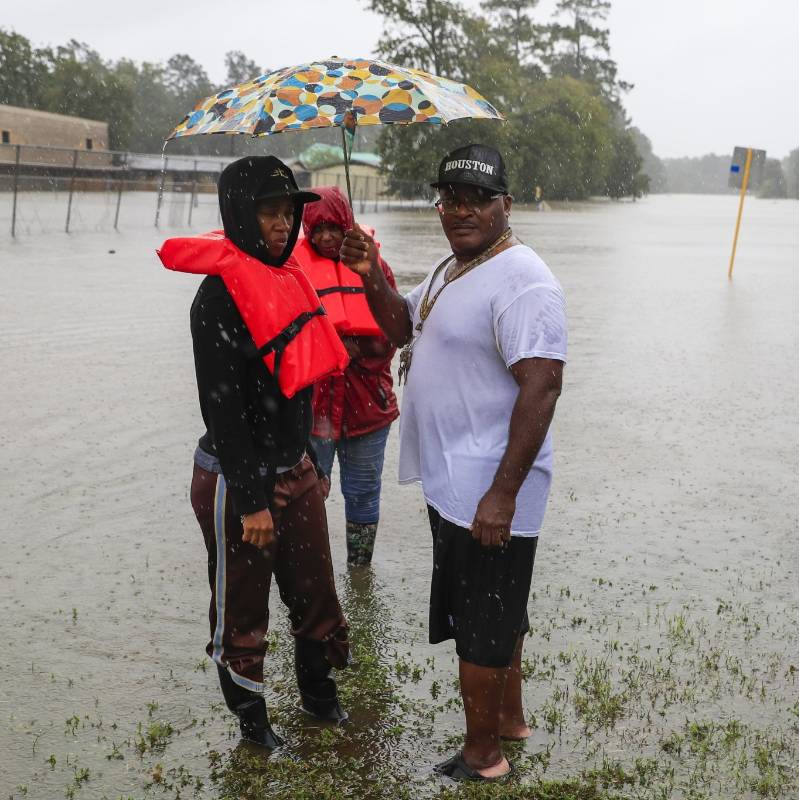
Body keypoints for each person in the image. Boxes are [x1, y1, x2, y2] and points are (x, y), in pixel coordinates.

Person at [340, 143, 566, 782]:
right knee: (499, 611)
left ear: (506, 205)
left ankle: (482, 755)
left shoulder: (526, 281)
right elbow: (398, 326)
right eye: (450, 198)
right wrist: (368, 272)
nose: (461, 209)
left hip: (487, 488)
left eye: (477, 199)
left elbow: (542, 387)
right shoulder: (454, 268)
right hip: (454, 480)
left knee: (483, 623)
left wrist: (502, 494)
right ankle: (511, 722)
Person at [158, 156, 353, 749]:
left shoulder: (289, 277)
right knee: (243, 615)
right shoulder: (216, 300)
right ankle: (255, 729)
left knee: (317, 593)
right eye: (269, 212)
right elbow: (224, 411)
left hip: (296, 468)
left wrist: (313, 462)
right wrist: (251, 503)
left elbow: (304, 381)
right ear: (240, 215)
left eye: (289, 211)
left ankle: (320, 702)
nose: (282, 224)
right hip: (236, 481)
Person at [293, 186, 399, 566]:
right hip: (312, 408)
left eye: (333, 228)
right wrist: (327, 347)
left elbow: (395, 330)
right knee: (304, 491)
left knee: (363, 492)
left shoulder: (376, 266)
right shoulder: (294, 272)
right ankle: (311, 572)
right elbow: (281, 340)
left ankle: (359, 570)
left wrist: (361, 349)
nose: (325, 237)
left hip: (367, 406)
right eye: (316, 230)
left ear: (347, 225)